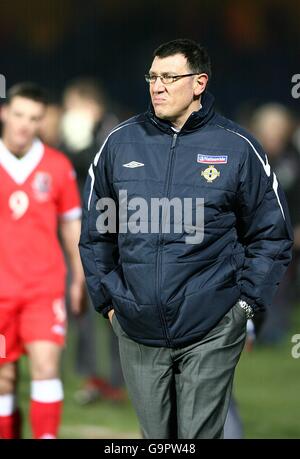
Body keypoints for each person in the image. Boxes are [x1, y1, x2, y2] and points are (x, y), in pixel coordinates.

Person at [79, 39, 293, 439]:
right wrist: (109, 302)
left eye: (169, 77)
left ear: (199, 83)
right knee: (157, 439)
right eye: (153, 77)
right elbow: (95, 234)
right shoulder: (118, 143)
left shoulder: (238, 148)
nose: (157, 86)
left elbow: (271, 235)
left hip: (212, 325)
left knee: (196, 437)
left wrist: (244, 306)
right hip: (136, 325)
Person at [0, 83, 86, 439]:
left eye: (34, 118)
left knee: (46, 367)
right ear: (5, 112)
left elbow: (71, 227)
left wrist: (80, 278)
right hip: (1, 292)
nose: (24, 124)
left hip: (43, 287)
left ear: (42, 122)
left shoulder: (56, 165)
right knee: (4, 379)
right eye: (19, 114)